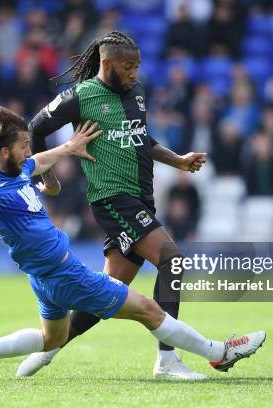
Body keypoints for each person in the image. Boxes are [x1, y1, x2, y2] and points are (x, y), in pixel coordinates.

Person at [0, 101, 265, 380]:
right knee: (149, 309)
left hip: (44, 279)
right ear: (4, 151)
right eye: (22, 145)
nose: (29, 150)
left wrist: (70, 147)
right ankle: (217, 351)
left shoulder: (19, 168)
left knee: (52, 340)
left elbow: (40, 160)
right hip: (63, 273)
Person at [26, 31, 209, 379]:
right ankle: (167, 360)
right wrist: (48, 178)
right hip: (112, 198)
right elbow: (35, 129)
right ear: (106, 63)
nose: (134, 73)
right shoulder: (81, 97)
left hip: (140, 199)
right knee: (172, 260)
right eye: (127, 66)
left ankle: (49, 349)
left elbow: (141, 137)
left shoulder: (136, 92)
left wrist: (178, 160)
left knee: (109, 292)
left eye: (137, 66)